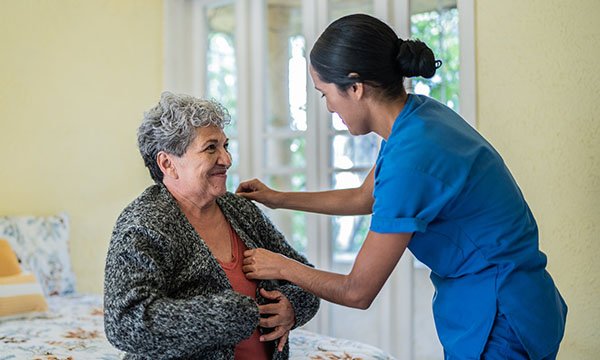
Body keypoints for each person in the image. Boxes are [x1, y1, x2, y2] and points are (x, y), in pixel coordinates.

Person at [237, 13, 567, 360]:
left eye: (325, 94)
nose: (329, 108)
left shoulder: (412, 157)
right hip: (524, 300)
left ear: (355, 87)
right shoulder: (418, 118)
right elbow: (365, 196)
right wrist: (277, 198)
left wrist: (281, 266)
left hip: (499, 316)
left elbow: (358, 291)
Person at [104, 92, 320, 360]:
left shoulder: (240, 210)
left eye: (225, 146)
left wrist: (292, 307)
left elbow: (307, 278)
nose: (227, 160)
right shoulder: (144, 224)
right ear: (168, 163)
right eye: (211, 148)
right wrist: (229, 315)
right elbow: (124, 324)